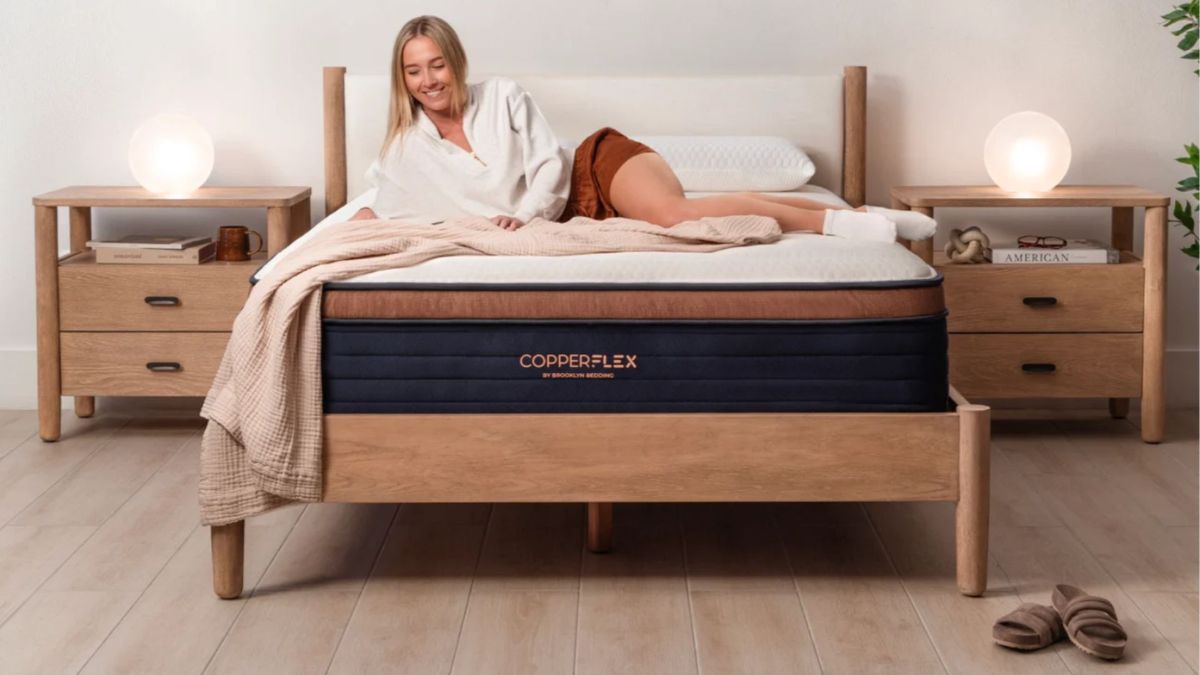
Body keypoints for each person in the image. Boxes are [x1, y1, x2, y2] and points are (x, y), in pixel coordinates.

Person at [352, 15, 935, 243]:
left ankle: (837, 223)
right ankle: (859, 214)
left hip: (593, 169)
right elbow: (386, 200)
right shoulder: (405, 148)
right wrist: (362, 218)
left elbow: (551, 168)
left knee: (676, 216)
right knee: (693, 210)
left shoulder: (502, 95)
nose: (429, 80)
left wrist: (526, 215)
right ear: (400, 79)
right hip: (579, 218)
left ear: (456, 61)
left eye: (437, 64)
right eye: (413, 70)